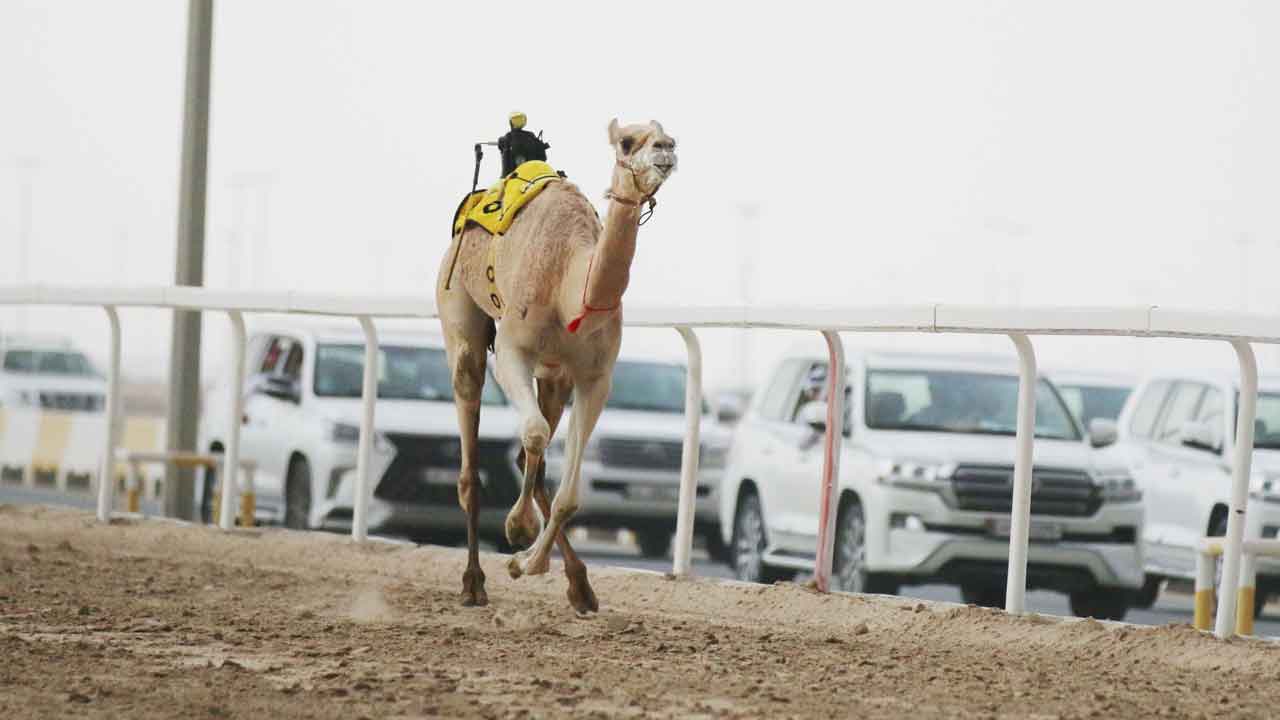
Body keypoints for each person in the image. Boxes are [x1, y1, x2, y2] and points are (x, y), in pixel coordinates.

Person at [497, 112, 549, 176]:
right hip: (535, 171)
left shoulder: (507, 137)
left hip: (515, 174)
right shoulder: (531, 136)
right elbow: (543, 158)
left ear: (511, 123)